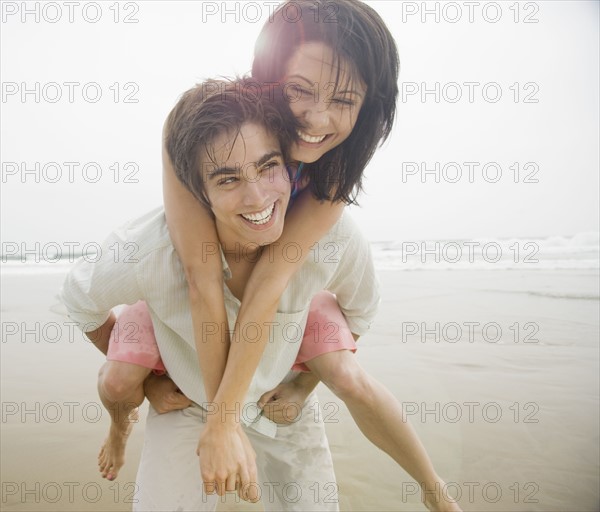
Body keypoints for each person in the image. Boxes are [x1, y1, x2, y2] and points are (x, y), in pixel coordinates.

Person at [60, 76, 379, 511]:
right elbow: (80, 302)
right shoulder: (145, 251)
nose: (256, 197)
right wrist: (153, 385)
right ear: (198, 195)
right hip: (188, 400)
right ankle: (120, 423)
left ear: (290, 166)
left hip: (277, 394)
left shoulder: (331, 236)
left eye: (269, 166)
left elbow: (359, 314)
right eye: (228, 180)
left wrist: (304, 385)